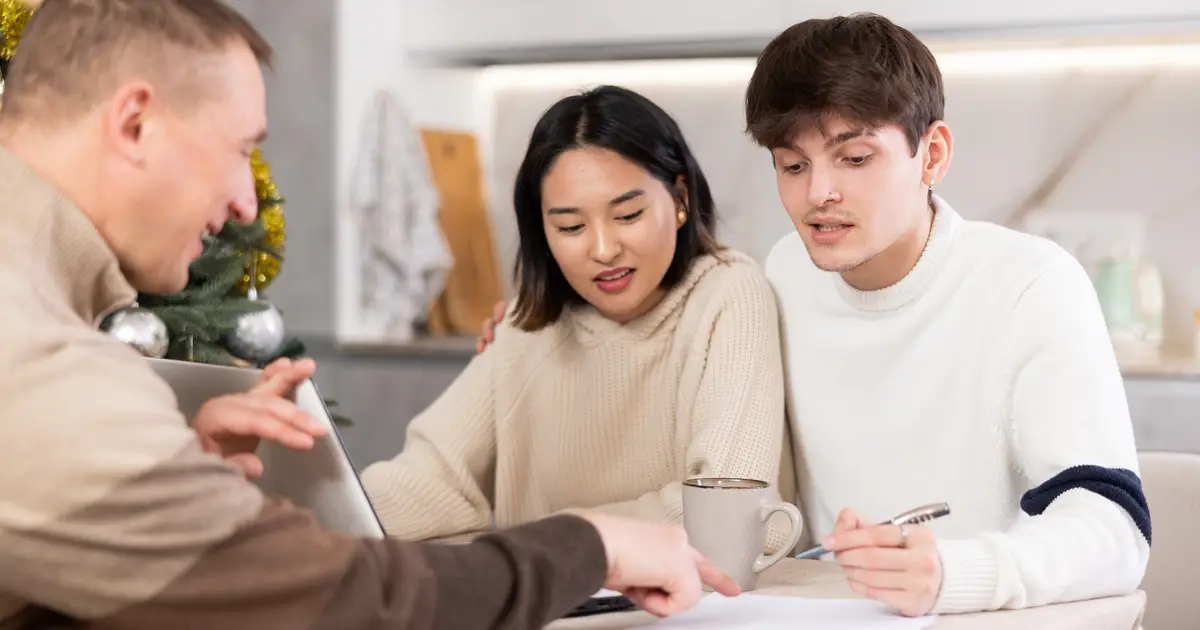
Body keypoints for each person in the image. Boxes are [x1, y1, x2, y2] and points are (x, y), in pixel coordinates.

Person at [0, 1, 739, 628]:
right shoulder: (40, 356)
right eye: (240, 151)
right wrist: (590, 547)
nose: (246, 205)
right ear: (134, 124)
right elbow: (350, 601)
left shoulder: (727, 298)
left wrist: (172, 474)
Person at [744, 13, 1150, 618]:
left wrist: (953, 574)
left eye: (854, 158)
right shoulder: (781, 273)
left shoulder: (1031, 283)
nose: (816, 194)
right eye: (792, 165)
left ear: (932, 154)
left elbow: (1115, 527)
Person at [360, 85, 796, 553]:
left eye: (628, 215)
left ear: (680, 198)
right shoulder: (529, 325)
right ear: (541, 231)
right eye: (570, 227)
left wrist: (555, 537)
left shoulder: (728, 297)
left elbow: (732, 514)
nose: (603, 250)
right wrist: (324, 513)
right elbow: (433, 477)